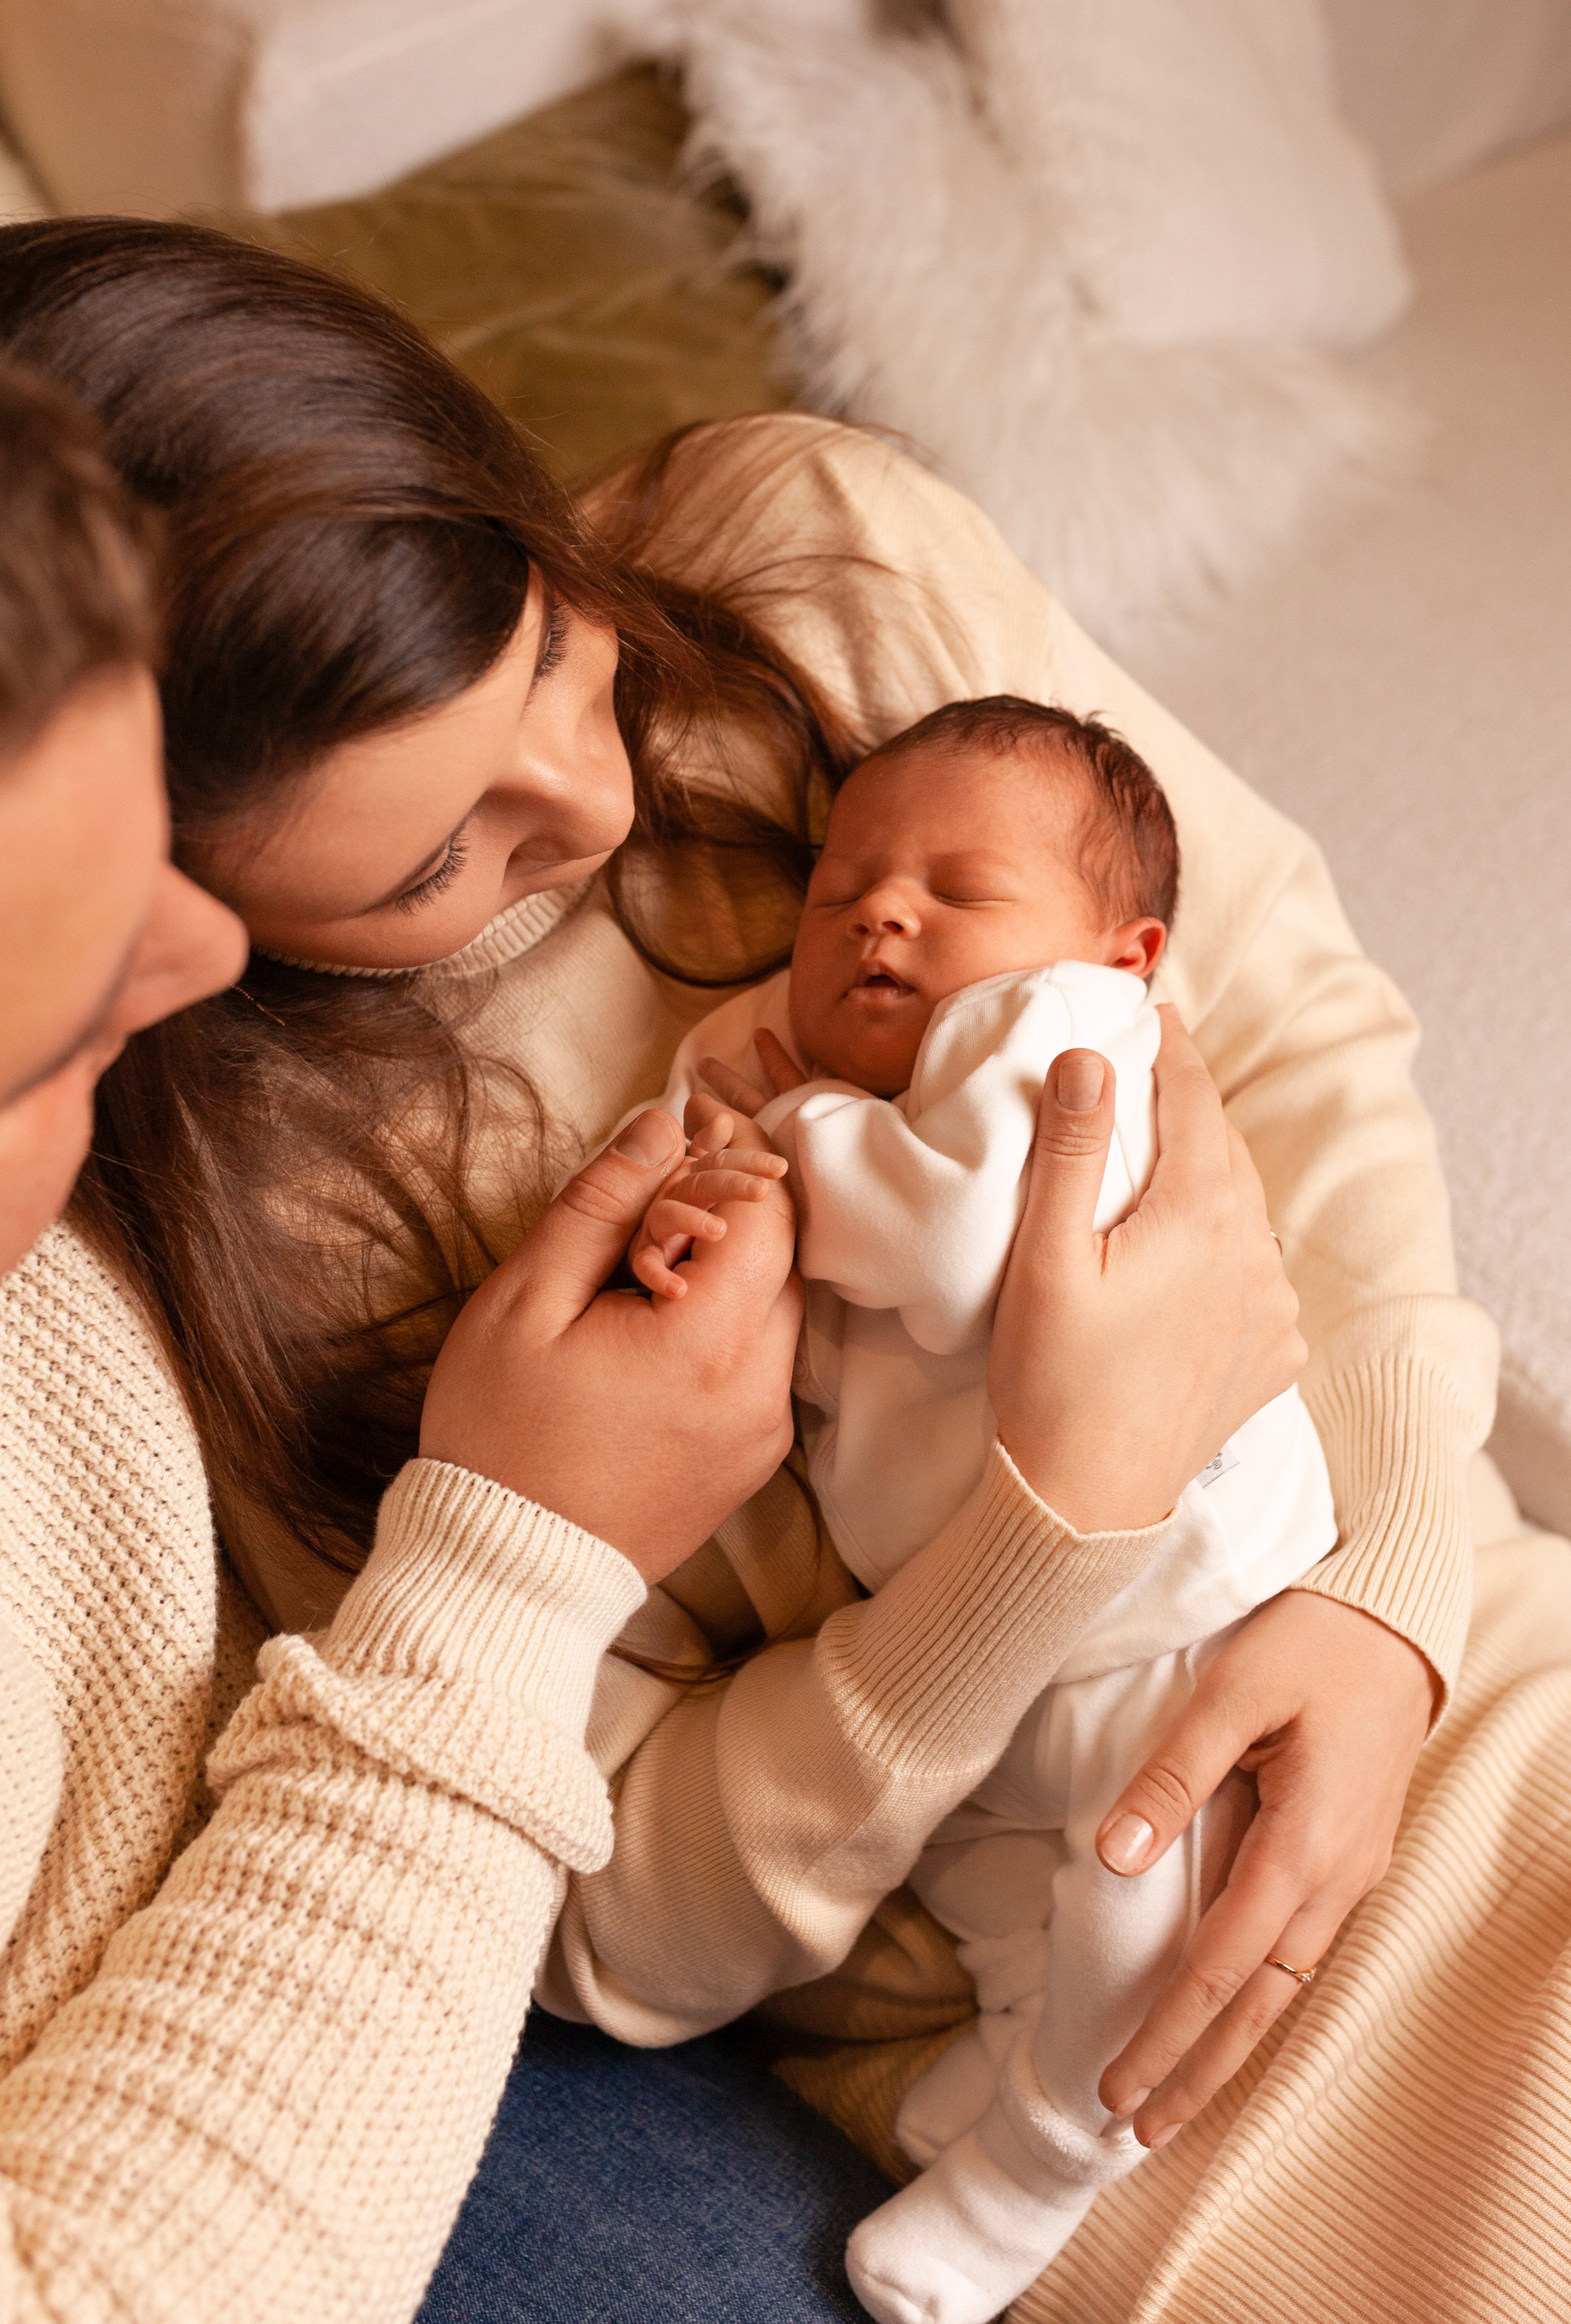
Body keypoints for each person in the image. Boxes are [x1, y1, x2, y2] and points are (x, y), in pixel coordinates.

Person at [0, 217, 1548, 2324]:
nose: (592, 792)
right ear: (153, 893)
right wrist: (1026, 1556)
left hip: (1464, 1680)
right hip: (1083, 2091)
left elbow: (1288, 1028)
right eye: (438, 858)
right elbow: (597, 1907)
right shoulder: (233, 1231)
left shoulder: (809, 557)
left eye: (554, 644)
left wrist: (1390, 1598)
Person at [0, 356, 875, 2320]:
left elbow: (1295, 1034)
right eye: (57, 1011)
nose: (194, 961)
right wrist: (510, 1569)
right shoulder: (242, 1238)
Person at [634, 695, 1336, 2323]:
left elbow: (951, 1255)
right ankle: (1028, 2044)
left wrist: (789, 1135)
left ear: (1124, 949)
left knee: (1141, 1871)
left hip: (1175, 1595)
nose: (881, 913)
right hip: (1013, 1606)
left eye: (959, 889)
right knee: (1005, 1875)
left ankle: (1046, 2157)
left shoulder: (1063, 1027)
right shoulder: (872, 1077)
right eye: (843, 887)